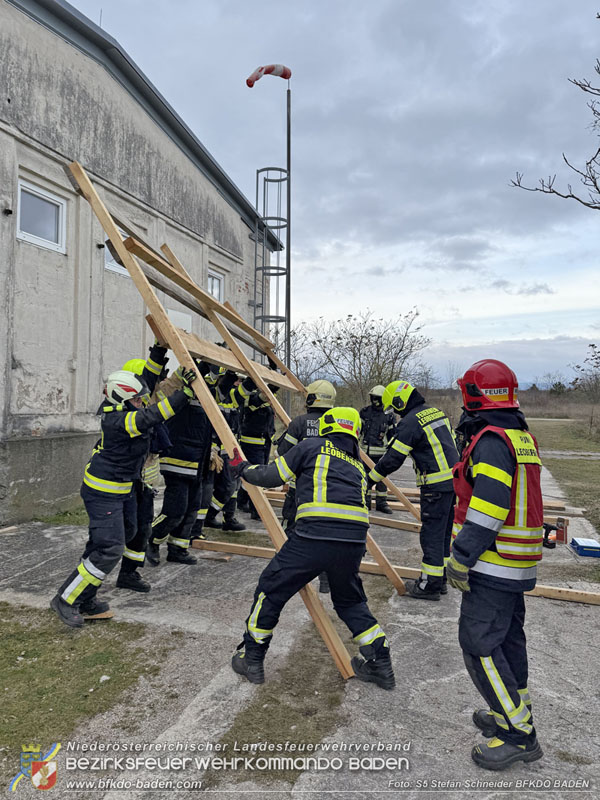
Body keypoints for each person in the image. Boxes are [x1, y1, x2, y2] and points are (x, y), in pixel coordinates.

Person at [229, 407, 395, 691]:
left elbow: (271, 476)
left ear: (326, 427)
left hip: (314, 537)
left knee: (271, 590)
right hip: (353, 543)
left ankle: (252, 659)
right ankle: (381, 664)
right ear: (354, 431)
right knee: (351, 602)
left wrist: (241, 469)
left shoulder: (312, 446)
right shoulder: (357, 465)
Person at [447, 359, 544, 770]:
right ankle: (510, 710)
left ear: (473, 395)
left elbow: (488, 508)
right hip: (518, 560)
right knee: (507, 640)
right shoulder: (519, 436)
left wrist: (461, 556)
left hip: (493, 561)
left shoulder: (489, 440)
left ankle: (518, 734)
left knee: (479, 645)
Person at [50, 367, 197, 628]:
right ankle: (66, 599)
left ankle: (86, 597)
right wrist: (184, 394)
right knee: (109, 547)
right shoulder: (118, 420)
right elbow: (152, 415)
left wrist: (178, 387)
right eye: (137, 399)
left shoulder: (126, 412)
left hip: (122, 490)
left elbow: (154, 406)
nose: (141, 403)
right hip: (103, 493)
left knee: (119, 536)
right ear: (121, 398)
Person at [367, 380, 459, 600]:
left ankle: (430, 586)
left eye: (395, 407)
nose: (395, 413)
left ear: (400, 402)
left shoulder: (410, 422)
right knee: (444, 534)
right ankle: (440, 579)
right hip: (454, 483)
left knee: (432, 537)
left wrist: (369, 479)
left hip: (435, 486)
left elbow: (393, 459)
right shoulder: (436, 413)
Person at [146, 362, 213, 566]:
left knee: (192, 508)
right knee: (175, 509)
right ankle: (152, 539)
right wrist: (200, 365)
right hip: (178, 458)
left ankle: (178, 548)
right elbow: (165, 396)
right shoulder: (178, 386)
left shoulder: (207, 391)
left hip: (198, 460)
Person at [115, 350, 171, 591]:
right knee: (122, 530)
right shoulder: (121, 412)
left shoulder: (148, 401)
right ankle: (96, 574)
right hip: (123, 484)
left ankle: (129, 572)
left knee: (142, 527)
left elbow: (171, 387)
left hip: (145, 484)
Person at [276, 379, 337, 593]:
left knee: (292, 531)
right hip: (329, 491)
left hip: (300, 492)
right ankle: (326, 580)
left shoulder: (300, 423)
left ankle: (290, 576)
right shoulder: (338, 423)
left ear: (312, 398)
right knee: (325, 534)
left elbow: (283, 452)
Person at [236, 384, 278, 520]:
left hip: (264, 442)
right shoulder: (252, 398)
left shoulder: (267, 400)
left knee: (251, 474)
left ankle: (242, 501)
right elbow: (259, 400)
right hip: (251, 443)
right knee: (257, 476)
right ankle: (256, 510)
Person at [359, 385, 396, 514]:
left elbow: (392, 436)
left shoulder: (389, 416)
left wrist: (392, 453)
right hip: (365, 453)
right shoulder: (364, 412)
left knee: (381, 479)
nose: (374, 400)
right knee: (365, 478)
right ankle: (366, 502)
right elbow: (358, 431)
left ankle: (381, 503)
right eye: (373, 398)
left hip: (381, 454)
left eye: (377, 398)